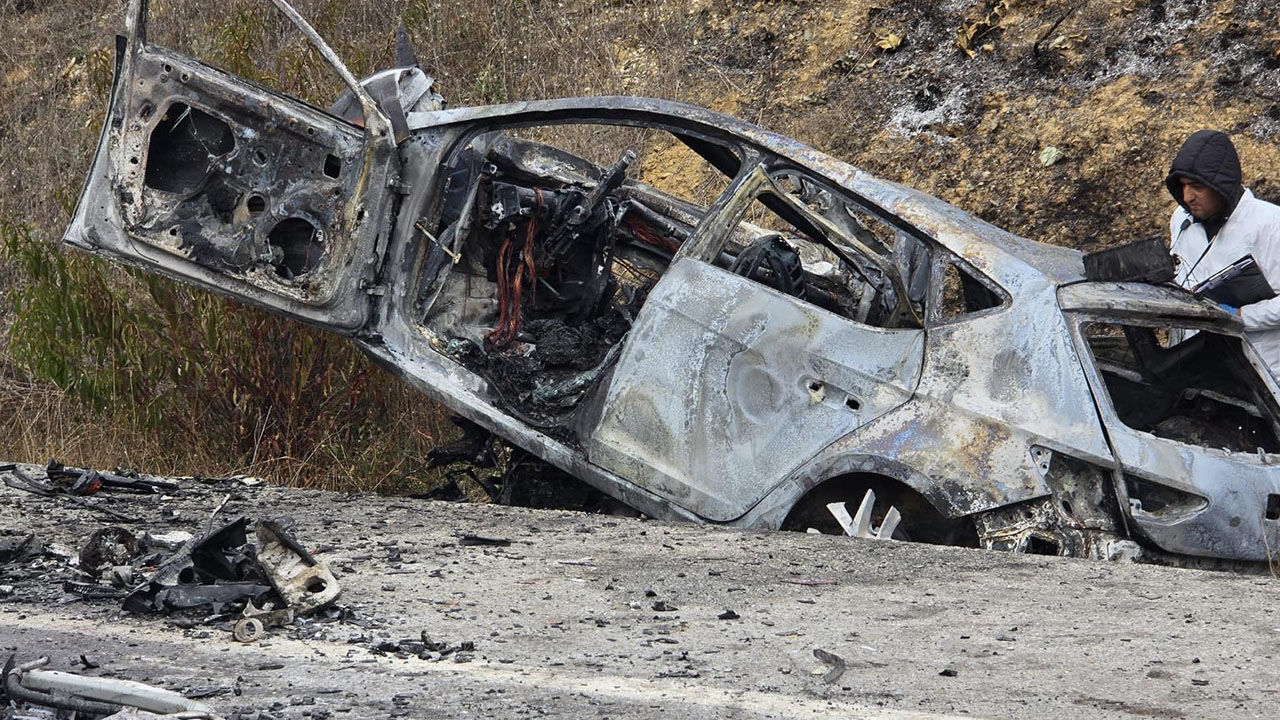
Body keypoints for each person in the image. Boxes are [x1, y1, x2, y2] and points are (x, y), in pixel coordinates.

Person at [1166, 129, 1280, 374]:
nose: (1187, 197)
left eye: (1196, 186)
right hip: (1199, 366)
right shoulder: (1182, 220)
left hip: (1262, 373)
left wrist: (1239, 316)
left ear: (1220, 186)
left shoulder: (1271, 224)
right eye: (1183, 186)